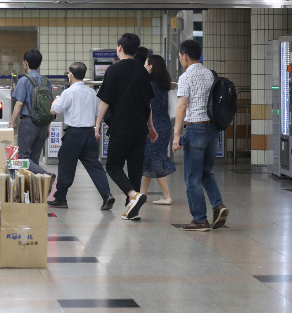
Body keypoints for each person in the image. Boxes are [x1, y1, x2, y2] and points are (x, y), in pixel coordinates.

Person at [96, 33, 158, 220]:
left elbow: (105, 101)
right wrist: (151, 126)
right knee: (135, 169)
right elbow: (148, 104)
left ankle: (133, 196)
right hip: (139, 128)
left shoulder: (113, 70)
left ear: (120, 48)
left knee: (114, 166)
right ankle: (132, 210)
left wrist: (97, 124)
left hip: (120, 127)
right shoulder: (142, 72)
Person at [172, 40, 229, 231]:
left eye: (180, 57)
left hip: (195, 128)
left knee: (192, 178)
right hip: (213, 130)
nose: (181, 60)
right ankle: (218, 205)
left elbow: (181, 106)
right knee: (205, 173)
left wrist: (176, 134)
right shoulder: (210, 75)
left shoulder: (186, 77)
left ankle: (200, 219)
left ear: (185, 57)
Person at [47, 62, 114, 210]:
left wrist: (56, 101)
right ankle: (107, 195)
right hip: (89, 133)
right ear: (84, 75)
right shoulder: (91, 92)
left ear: (70, 75)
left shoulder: (68, 92)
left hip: (74, 134)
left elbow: (53, 111)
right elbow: (99, 113)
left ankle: (61, 198)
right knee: (94, 166)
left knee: (66, 165)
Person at [8, 49, 55, 181]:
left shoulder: (24, 80)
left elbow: (19, 104)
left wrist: (12, 122)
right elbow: (49, 106)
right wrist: (48, 126)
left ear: (26, 63)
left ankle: (45, 175)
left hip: (29, 123)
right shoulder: (46, 81)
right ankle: (32, 193)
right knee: (34, 159)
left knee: (22, 157)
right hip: (43, 124)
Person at [140, 54, 176, 204]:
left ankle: (167, 196)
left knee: (155, 159)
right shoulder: (164, 84)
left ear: (151, 67)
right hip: (165, 123)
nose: (143, 66)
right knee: (150, 157)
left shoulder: (149, 85)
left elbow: (145, 107)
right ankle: (141, 194)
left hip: (153, 125)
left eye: (145, 63)